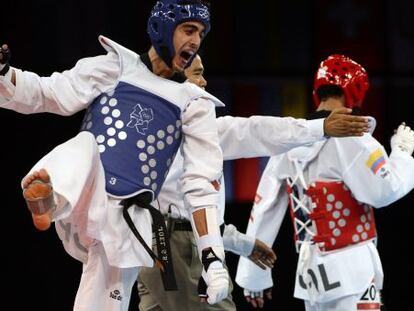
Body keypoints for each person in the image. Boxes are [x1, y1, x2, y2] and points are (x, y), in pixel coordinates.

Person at [0, 1, 233, 310]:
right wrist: (4, 74)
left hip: (127, 218)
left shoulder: (194, 103)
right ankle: (48, 200)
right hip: (85, 191)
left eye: (201, 33)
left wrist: (213, 260)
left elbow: (201, 187)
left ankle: (54, 200)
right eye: (189, 30)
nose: (196, 41)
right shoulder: (115, 67)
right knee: (84, 145)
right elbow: (48, 92)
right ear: (161, 29)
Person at [136, 54, 372, 310]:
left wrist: (242, 243)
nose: (204, 82)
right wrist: (321, 128)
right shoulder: (199, 131)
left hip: (149, 248)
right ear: (174, 82)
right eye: (197, 74)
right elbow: (260, 130)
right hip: (179, 250)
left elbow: (188, 217)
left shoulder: (140, 131)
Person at [236, 54, 414, 311]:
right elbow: (384, 191)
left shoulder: (288, 141)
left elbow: (263, 209)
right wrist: (402, 154)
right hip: (354, 271)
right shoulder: (354, 137)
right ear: (355, 92)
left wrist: (253, 276)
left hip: (310, 273)